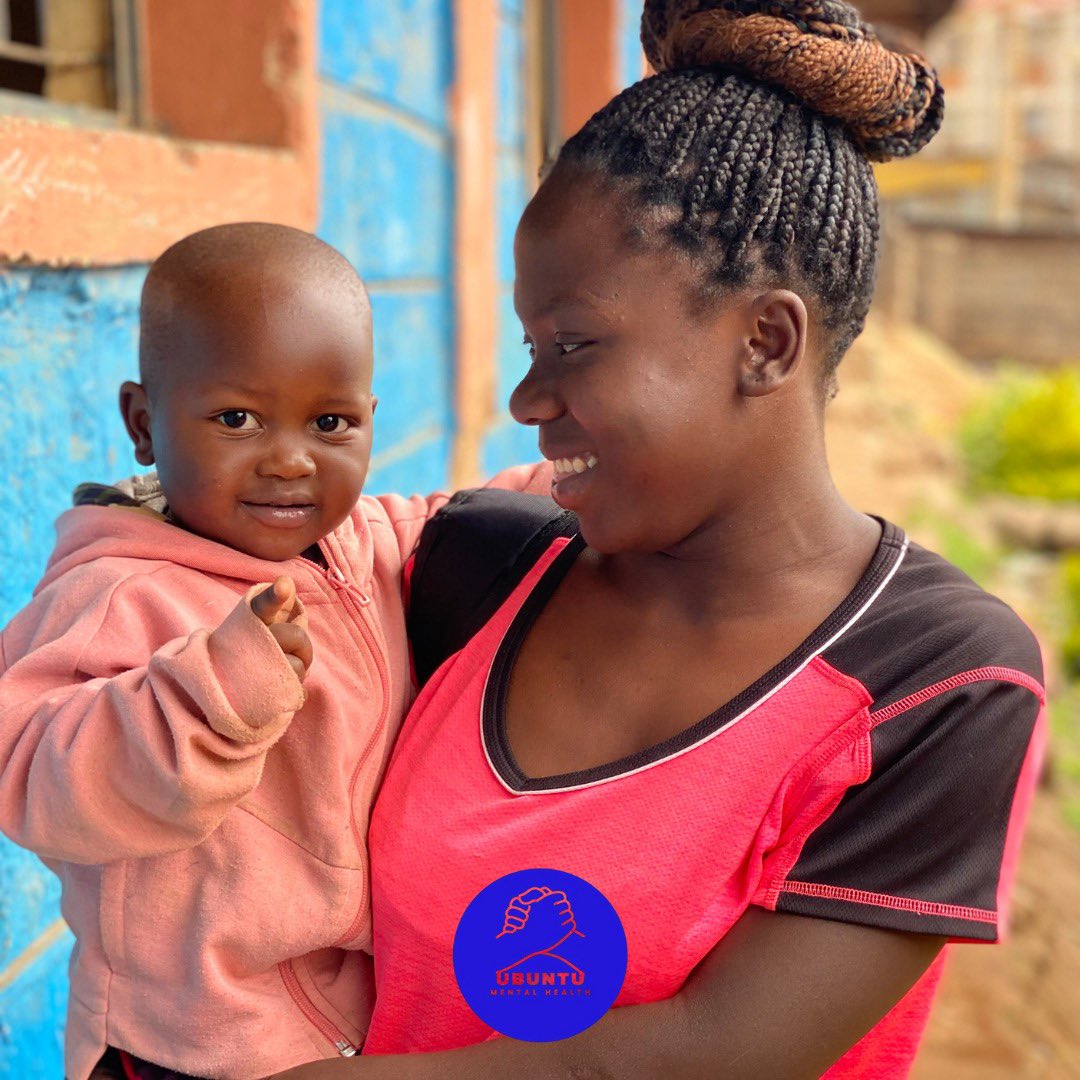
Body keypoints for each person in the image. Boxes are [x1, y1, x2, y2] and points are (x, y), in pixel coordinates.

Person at [277, 2, 1046, 1077]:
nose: (527, 395)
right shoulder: (477, 571)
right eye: (530, 343)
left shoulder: (933, 680)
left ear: (766, 342)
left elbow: (715, 1051)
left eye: (574, 343)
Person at [0, 223, 541, 1080]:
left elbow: (468, 518)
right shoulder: (118, 593)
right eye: (237, 418)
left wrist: (572, 488)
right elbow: (26, 774)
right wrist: (202, 698)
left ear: (369, 420)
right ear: (143, 423)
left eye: (329, 422)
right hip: (191, 1037)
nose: (289, 460)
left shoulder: (361, 540)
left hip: (348, 1016)